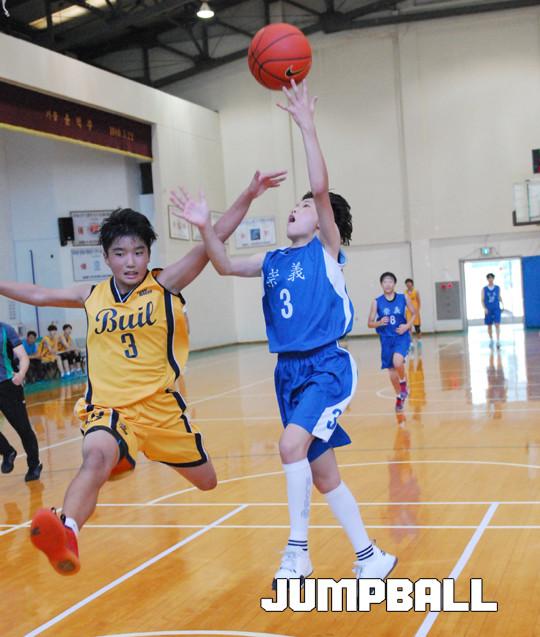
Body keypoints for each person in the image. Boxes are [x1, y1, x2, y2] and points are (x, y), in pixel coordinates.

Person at [0, 168, 286, 576]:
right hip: (109, 409)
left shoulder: (165, 284)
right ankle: (67, 531)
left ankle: (130, 453)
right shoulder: (91, 294)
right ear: (106, 257)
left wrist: (249, 194)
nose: (130, 261)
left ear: (148, 255)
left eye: (138, 252)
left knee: (208, 481)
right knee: (95, 456)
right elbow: (39, 294)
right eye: (120, 253)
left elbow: (216, 238)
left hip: (161, 410)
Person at [174, 80, 397, 587]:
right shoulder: (272, 259)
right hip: (288, 373)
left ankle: (298, 553)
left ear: (322, 223)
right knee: (323, 474)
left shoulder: (327, 251)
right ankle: (370, 558)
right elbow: (224, 264)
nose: (297, 209)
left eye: (305, 207)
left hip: (326, 367)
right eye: (294, 206)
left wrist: (307, 126)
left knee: (289, 445)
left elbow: (320, 189)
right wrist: (205, 226)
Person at [368, 272, 417, 412]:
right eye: (385, 282)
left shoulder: (403, 297)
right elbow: (370, 323)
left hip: (401, 336)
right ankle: (399, 396)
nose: (388, 284)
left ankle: (403, 384)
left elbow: (414, 313)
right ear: (381, 284)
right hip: (386, 339)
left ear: (394, 284)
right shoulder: (376, 302)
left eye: (390, 281)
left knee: (397, 362)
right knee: (391, 371)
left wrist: (407, 326)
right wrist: (379, 322)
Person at [0, 322, 42, 481]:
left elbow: (23, 357)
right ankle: (7, 451)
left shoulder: (6, 330)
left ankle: (34, 465)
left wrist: (21, 373)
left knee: (23, 428)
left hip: (8, 385)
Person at [482, 273, 503, 348]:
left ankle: (498, 340)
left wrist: (502, 304)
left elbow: (499, 297)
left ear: (493, 279)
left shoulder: (497, 288)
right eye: (489, 278)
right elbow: (482, 300)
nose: (490, 279)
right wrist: (484, 308)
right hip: (488, 309)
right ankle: (491, 339)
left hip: (496, 308)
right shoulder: (484, 289)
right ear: (487, 279)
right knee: (489, 325)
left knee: (497, 324)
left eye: (491, 278)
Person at [404, 278, 421, 346]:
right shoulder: (404, 293)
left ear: (412, 284)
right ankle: (411, 342)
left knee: (417, 327)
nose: (408, 284)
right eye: (407, 283)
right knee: (409, 327)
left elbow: (419, 302)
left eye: (409, 283)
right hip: (408, 312)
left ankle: (419, 340)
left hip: (415, 312)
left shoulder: (416, 291)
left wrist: (417, 310)